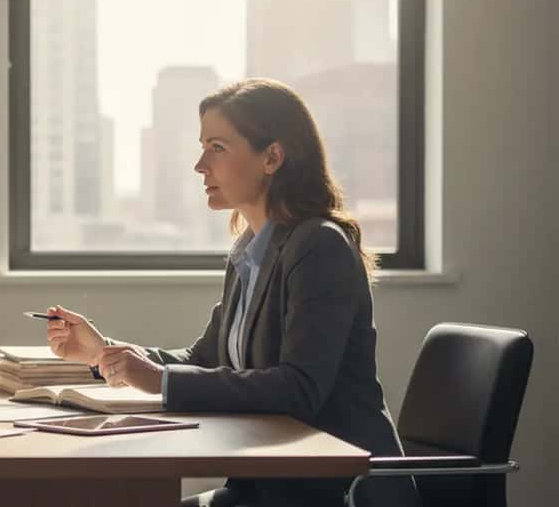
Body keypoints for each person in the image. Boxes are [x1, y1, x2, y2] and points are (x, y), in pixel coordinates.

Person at [43, 78, 418, 507]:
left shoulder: (319, 245)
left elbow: (299, 388)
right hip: (265, 486)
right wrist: (105, 353)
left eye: (217, 147)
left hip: (333, 490)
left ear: (272, 157)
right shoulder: (250, 249)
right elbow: (205, 358)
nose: (200, 165)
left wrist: (160, 380)